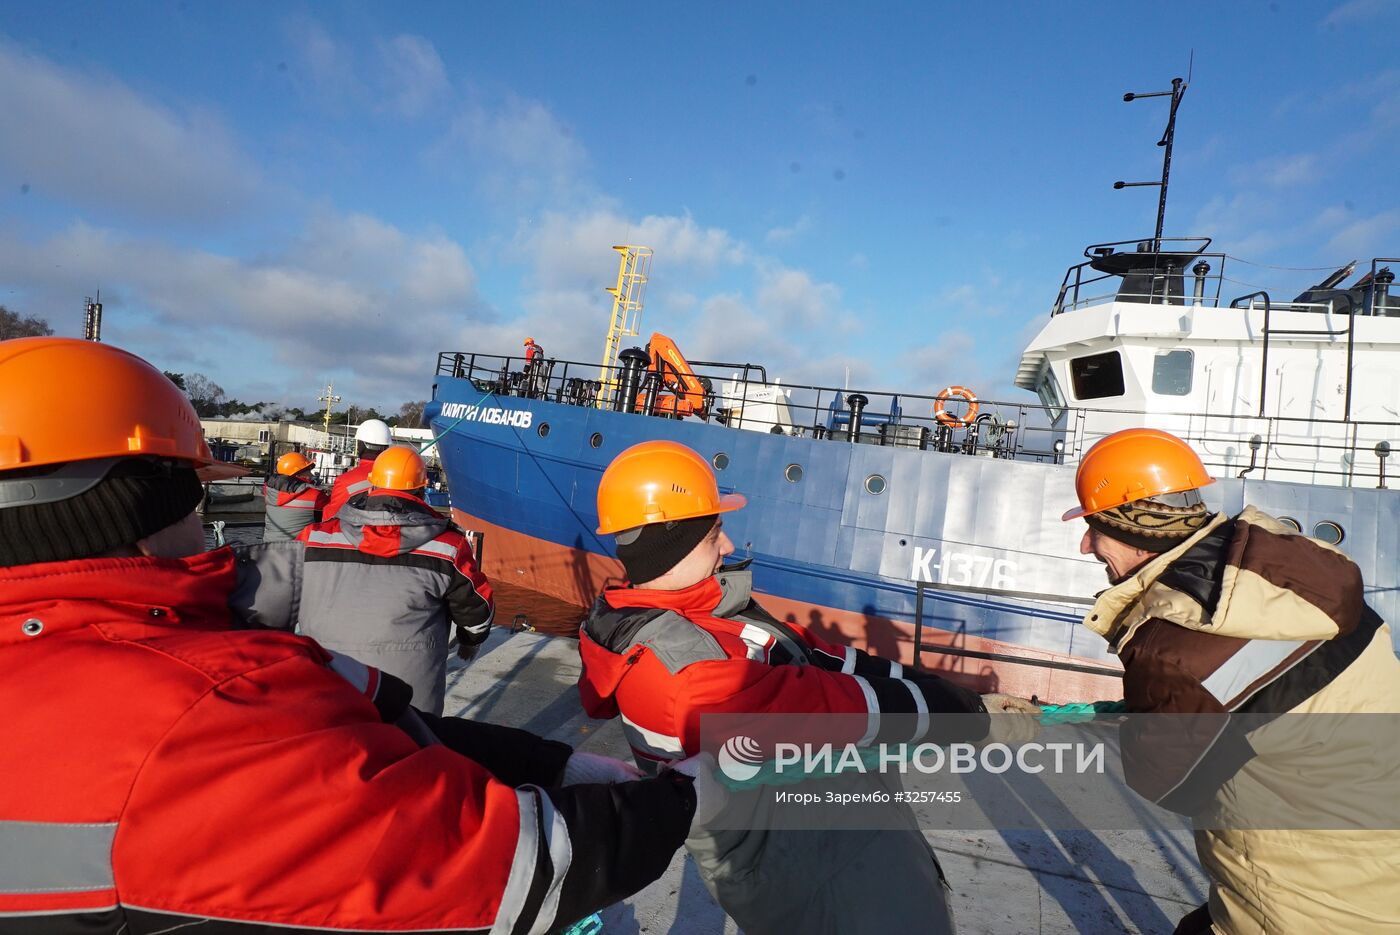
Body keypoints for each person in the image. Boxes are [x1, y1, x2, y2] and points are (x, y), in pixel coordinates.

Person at [0, 337, 703, 934]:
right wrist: (676, 799)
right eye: (196, 491)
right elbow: (505, 868)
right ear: (143, 497)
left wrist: (549, 761)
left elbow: (351, 698)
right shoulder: (212, 707)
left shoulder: (309, 548)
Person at [577, 440, 1039, 934]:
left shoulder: (708, 617)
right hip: (812, 877)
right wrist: (972, 717)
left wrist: (947, 692)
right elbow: (836, 707)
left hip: (836, 842)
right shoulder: (686, 672)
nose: (729, 546)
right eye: (716, 533)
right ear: (675, 540)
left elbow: (825, 659)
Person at [1062, 427, 1400, 935]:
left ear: (1137, 529)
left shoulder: (1171, 647)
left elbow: (1168, 782)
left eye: (1096, 527)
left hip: (1302, 894)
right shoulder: (1297, 570)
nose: (1088, 545)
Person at [297, 444, 493, 716]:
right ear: (422, 490)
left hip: (327, 686)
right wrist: (470, 640)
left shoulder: (314, 537)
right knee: (409, 750)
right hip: (409, 700)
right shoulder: (449, 546)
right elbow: (477, 611)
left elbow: (278, 597)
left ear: (372, 485)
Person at [324, 417, 392, 519]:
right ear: (386, 447)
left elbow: (329, 517)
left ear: (360, 446)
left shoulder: (345, 481)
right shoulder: (400, 477)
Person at [262, 450, 329, 542]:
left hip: (269, 547)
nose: (311, 474)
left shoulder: (269, 490)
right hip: (298, 550)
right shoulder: (315, 494)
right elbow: (333, 512)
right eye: (308, 470)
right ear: (298, 473)